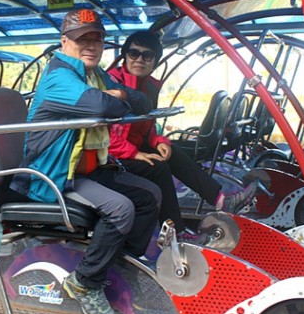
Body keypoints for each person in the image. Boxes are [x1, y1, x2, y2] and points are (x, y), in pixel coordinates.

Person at [10, 9, 161, 314]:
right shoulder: (59, 76)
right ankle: (84, 282)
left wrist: (120, 93)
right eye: (82, 39)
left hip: (87, 170)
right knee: (120, 209)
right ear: (64, 42)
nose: (91, 46)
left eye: (97, 39)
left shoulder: (95, 76)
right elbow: (101, 105)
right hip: (54, 176)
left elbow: (143, 101)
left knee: (150, 195)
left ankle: (116, 269)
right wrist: (116, 97)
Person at [107, 30, 257, 236]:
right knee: (158, 168)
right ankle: (175, 230)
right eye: (134, 53)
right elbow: (103, 134)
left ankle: (221, 200)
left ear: (154, 61)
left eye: (147, 55)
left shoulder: (149, 87)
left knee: (172, 151)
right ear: (125, 56)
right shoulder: (111, 83)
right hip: (112, 153)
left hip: (133, 147)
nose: (139, 60)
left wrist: (159, 141)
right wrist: (134, 153)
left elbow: (148, 126)